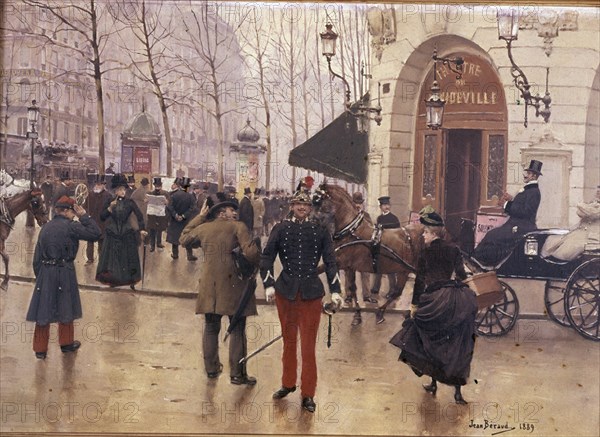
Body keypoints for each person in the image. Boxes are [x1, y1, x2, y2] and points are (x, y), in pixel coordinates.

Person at [260, 188, 344, 413]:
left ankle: (308, 393)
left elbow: (330, 261)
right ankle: (288, 384)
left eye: (306, 205)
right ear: (292, 206)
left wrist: (335, 290)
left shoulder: (320, 230)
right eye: (298, 204)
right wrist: (268, 284)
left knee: (308, 347)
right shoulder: (280, 229)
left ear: (310, 208)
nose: (302, 208)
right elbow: (267, 257)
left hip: (311, 294)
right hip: (285, 292)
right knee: (289, 342)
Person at [390, 211, 477, 404]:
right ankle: (457, 393)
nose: (423, 236)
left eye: (425, 233)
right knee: (453, 342)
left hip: (432, 300)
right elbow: (462, 275)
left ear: (433, 234)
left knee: (431, 343)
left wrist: (414, 306)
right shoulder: (454, 249)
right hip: (452, 300)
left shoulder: (426, 253)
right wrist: (473, 293)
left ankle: (434, 383)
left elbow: (420, 282)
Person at [179, 193, 261, 385]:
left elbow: (183, 238)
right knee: (237, 328)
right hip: (234, 286)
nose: (235, 212)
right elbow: (250, 254)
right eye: (232, 209)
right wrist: (257, 251)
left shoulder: (204, 228)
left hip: (209, 287)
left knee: (210, 327)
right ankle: (237, 374)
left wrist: (200, 216)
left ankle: (212, 370)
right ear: (222, 212)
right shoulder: (238, 227)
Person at [26, 196, 102, 359]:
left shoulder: (45, 228)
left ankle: (40, 349)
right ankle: (66, 344)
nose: (74, 215)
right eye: (73, 212)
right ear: (67, 211)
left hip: (46, 271)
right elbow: (96, 234)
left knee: (43, 310)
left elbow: (37, 258)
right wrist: (84, 216)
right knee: (66, 307)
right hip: (65, 271)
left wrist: (42, 277)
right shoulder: (72, 226)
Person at [473, 160, 543, 267]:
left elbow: (525, 212)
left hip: (521, 227)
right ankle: (481, 260)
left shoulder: (533, 192)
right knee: (492, 234)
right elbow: (521, 206)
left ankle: (484, 261)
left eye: (528, 174)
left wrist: (506, 205)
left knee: (493, 235)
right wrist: (511, 200)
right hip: (516, 224)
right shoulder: (529, 190)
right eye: (527, 173)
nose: (525, 175)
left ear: (534, 176)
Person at [95, 174, 147, 289]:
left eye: (124, 189)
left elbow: (139, 216)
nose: (122, 191)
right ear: (115, 190)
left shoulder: (130, 202)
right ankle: (113, 281)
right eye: (119, 189)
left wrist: (142, 229)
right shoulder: (109, 201)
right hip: (112, 233)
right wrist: (109, 209)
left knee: (128, 258)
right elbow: (102, 217)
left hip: (126, 232)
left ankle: (131, 281)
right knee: (113, 260)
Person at [542, 185, 600, 260]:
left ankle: (560, 263)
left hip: (592, 236)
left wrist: (580, 204)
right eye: (598, 188)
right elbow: (580, 213)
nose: (598, 191)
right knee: (551, 241)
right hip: (580, 233)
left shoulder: (593, 208)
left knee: (570, 247)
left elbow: (592, 213)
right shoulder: (593, 204)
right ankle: (550, 261)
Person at [345, 192, 378, 309]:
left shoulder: (366, 216)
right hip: (351, 249)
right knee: (349, 273)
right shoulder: (348, 216)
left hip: (363, 249)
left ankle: (367, 295)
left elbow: (371, 230)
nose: (358, 205)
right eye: (355, 203)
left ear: (362, 204)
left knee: (365, 273)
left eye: (360, 203)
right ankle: (349, 295)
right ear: (352, 204)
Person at [371, 196, 400, 299]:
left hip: (391, 247)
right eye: (384, 205)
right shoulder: (379, 218)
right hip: (381, 246)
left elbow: (398, 233)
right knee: (379, 267)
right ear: (380, 207)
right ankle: (375, 288)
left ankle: (393, 290)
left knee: (390, 270)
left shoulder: (394, 218)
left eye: (388, 205)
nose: (386, 207)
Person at [166, 177, 198, 260]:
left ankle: (175, 255)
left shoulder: (173, 195)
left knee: (175, 239)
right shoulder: (191, 197)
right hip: (186, 221)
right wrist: (184, 216)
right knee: (187, 238)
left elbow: (170, 207)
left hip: (175, 221)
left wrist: (176, 215)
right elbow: (192, 208)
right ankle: (189, 256)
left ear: (180, 186)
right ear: (188, 186)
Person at [85, 175, 112, 264]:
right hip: (92, 222)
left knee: (102, 242)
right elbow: (85, 207)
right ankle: (90, 259)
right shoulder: (90, 194)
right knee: (90, 241)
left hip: (102, 222)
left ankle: (102, 260)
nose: (98, 186)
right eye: (97, 184)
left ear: (104, 185)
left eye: (100, 184)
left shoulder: (108, 196)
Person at [146, 177, 170, 252]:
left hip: (161, 214)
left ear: (161, 186)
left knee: (159, 229)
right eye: (156, 186)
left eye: (158, 186)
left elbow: (168, 203)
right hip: (152, 214)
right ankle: (152, 245)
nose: (157, 188)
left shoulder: (165, 193)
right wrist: (147, 200)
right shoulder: (150, 193)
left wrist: (166, 201)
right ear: (154, 186)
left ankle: (159, 243)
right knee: (152, 230)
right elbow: (146, 201)